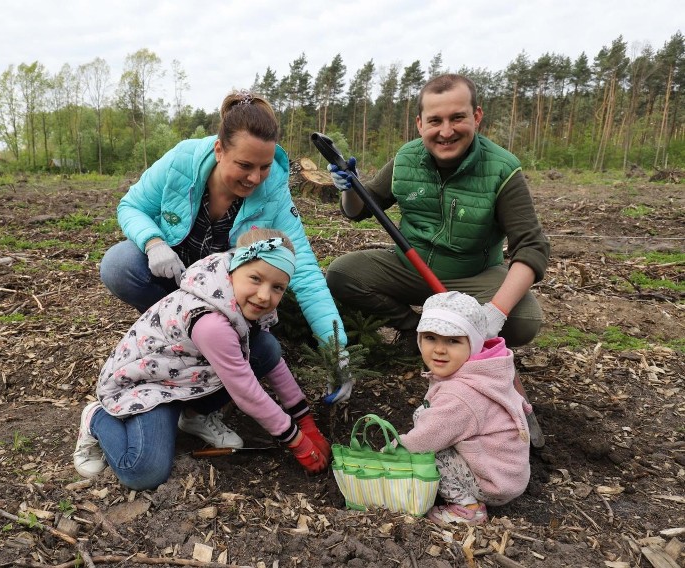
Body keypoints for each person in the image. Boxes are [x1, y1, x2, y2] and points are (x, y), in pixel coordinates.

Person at [325, 73, 548, 446]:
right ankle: (418, 331)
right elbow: (359, 210)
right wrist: (349, 187)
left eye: (457, 118)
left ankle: (475, 349)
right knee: (343, 274)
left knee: (523, 319)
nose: (446, 131)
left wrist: (494, 312)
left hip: (472, 274)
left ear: (476, 116)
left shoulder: (501, 168)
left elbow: (532, 247)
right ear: (420, 123)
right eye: (435, 121)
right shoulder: (407, 159)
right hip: (410, 266)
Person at [100, 89, 352, 417]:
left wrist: (336, 349)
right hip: (174, 282)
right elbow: (132, 205)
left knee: (263, 347)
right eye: (245, 165)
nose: (254, 177)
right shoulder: (182, 161)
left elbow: (303, 268)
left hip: (223, 301)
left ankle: (208, 363)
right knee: (121, 265)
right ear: (219, 149)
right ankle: (168, 338)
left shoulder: (273, 191)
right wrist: (154, 243)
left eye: (263, 167)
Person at [73, 229, 331, 490]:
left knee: (265, 348)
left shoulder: (242, 300)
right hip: (150, 385)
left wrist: (305, 421)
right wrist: (297, 441)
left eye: (277, 287)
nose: (264, 295)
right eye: (255, 278)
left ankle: (195, 415)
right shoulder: (210, 322)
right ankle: (96, 419)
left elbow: (272, 362)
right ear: (233, 269)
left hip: (186, 375)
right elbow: (246, 392)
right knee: (143, 472)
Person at [395, 291, 531, 526]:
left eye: (453, 341)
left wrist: (394, 449)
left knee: (432, 450)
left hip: (493, 482)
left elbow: (426, 439)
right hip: (506, 470)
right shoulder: (486, 370)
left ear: (474, 343)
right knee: (425, 415)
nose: (439, 349)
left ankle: (468, 507)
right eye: (430, 338)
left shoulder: (462, 395)